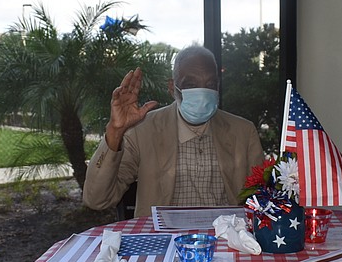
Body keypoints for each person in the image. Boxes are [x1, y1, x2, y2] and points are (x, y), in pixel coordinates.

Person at [83, 45, 264, 217]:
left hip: (227, 240)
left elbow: (264, 198)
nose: (201, 92)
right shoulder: (143, 131)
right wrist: (116, 131)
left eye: (209, 84)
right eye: (190, 84)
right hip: (163, 242)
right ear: (172, 87)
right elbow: (97, 200)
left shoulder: (243, 132)